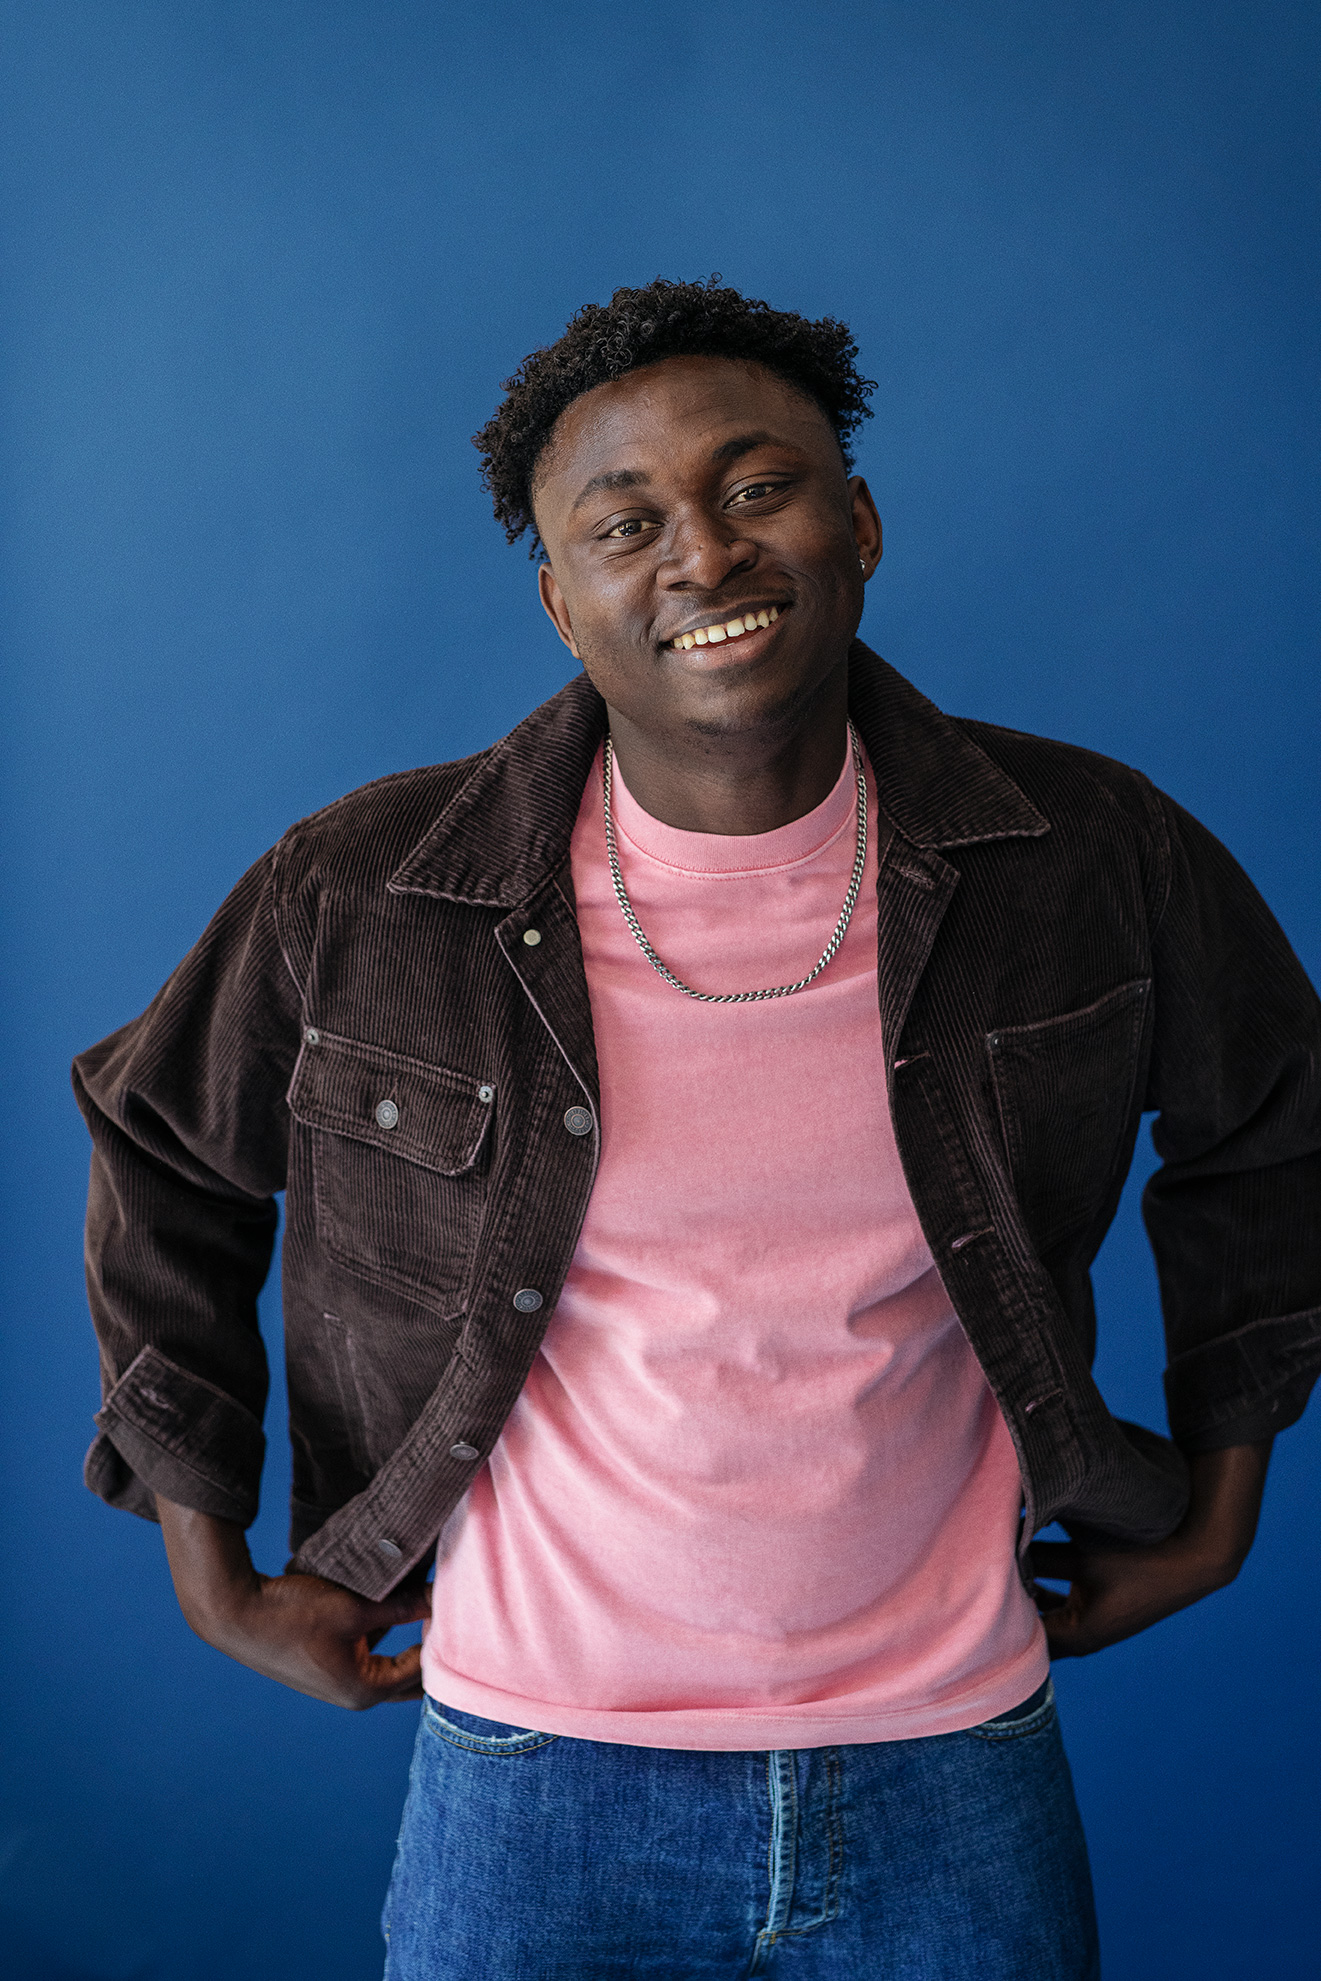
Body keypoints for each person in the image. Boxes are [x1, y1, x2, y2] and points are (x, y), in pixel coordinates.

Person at [73, 277, 1321, 1979]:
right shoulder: (366, 890)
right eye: (627, 522)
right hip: (530, 1780)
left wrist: (1218, 1506)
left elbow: (1276, 1125)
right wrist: (209, 1568)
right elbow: (162, 1151)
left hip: (951, 1765)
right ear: (560, 599)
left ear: (857, 523)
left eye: (757, 487)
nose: (705, 555)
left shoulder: (1087, 854)